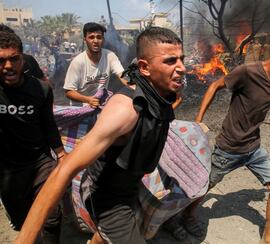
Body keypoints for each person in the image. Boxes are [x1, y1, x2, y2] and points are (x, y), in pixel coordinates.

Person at [15, 27, 186, 244]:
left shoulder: (162, 90)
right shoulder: (125, 111)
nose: (181, 67)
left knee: (106, 237)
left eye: (181, 59)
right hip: (108, 198)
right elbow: (64, 171)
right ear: (144, 67)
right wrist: (25, 240)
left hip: (129, 187)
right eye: (171, 61)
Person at [191, 30, 270, 244]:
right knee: (201, 186)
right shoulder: (247, 72)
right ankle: (182, 216)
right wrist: (198, 120)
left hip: (253, 147)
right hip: (229, 148)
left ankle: (269, 238)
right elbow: (215, 85)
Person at [0, 31, 65, 243]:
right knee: (23, 222)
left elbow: (49, 124)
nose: (8, 66)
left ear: (23, 58)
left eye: (13, 58)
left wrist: (62, 155)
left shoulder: (41, 89)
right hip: (7, 170)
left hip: (40, 162)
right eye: (1, 60)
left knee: (52, 216)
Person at [63, 22, 127, 107]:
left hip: (101, 105)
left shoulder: (110, 56)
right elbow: (69, 91)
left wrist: (134, 86)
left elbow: (123, 76)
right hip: (81, 108)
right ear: (85, 40)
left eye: (99, 37)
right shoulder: (78, 62)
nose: (95, 41)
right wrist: (88, 100)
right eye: (91, 37)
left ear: (103, 40)